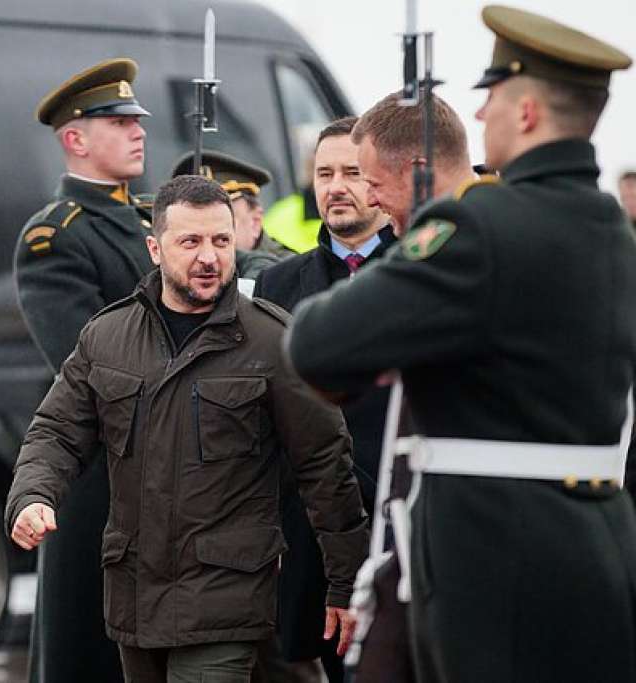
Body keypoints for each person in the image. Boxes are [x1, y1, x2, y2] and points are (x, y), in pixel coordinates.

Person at [289, 7, 636, 682]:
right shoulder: (614, 232)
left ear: (527, 112)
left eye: (491, 97)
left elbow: (318, 343)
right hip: (602, 546)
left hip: (495, 557)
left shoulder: (478, 228)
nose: (480, 115)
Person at [6, 174, 369, 683]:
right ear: (155, 249)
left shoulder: (270, 341)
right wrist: (32, 495)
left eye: (221, 241)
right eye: (191, 242)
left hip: (227, 601)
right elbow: (57, 430)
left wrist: (344, 582)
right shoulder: (107, 337)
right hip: (135, 603)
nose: (209, 257)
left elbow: (326, 468)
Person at [13, 57, 154, 683]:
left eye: (136, 120)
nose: (138, 131)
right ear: (75, 138)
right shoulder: (56, 237)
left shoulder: (152, 222)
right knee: (91, 651)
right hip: (103, 474)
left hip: (171, 475)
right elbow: (89, 362)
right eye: (119, 122)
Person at [254, 116, 394, 683]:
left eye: (352, 173)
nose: (335, 187)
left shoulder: (420, 272)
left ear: (379, 179)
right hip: (311, 529)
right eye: (324, 173)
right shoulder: (279, 284)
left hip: (393, 515)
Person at [352, 92, 474, 235]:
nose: (370, 201)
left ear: (420, 176)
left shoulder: (467, 239)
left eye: (375, 185)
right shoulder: (492, 215)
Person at [170, 150, 283, 282]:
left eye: (222, 224)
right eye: (192, 227)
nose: (207, 254)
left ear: (255, 223)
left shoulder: (293, 274)